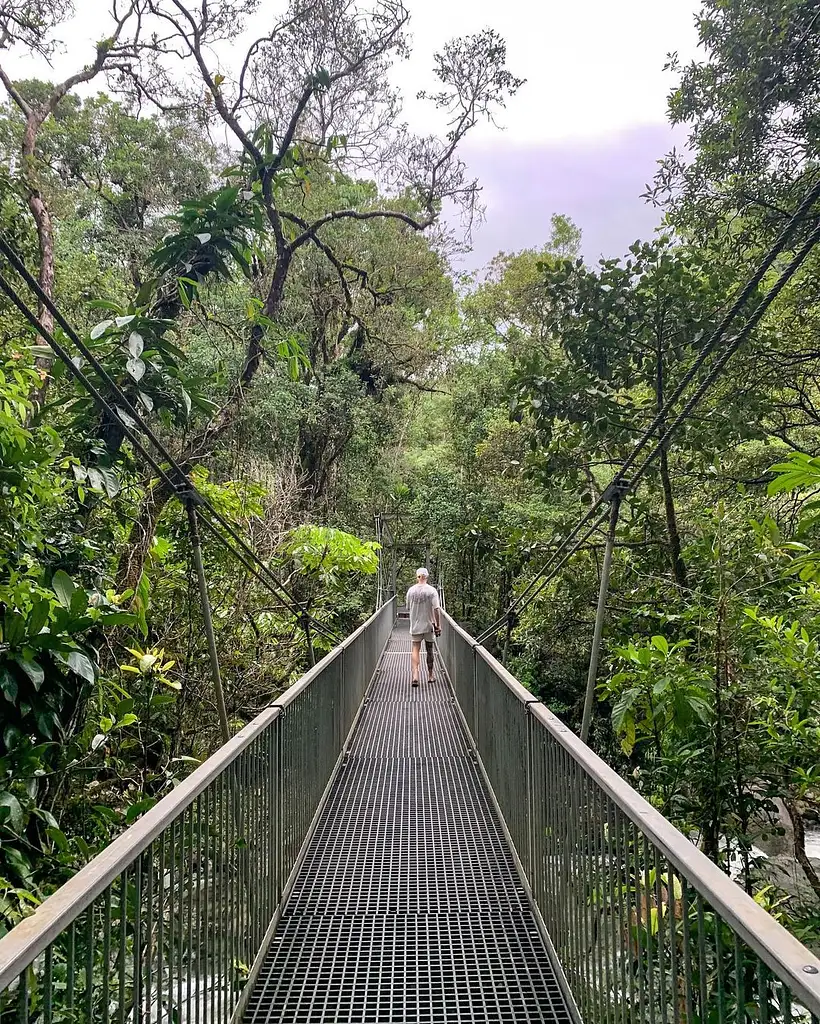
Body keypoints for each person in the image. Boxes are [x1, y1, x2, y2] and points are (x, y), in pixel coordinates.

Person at [405, 567, 441, 687]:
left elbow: (408, 608)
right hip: (429, 625)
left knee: (415, 648)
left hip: (415, 625)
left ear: (417, 576)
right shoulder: (432, 591)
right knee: (429, 649)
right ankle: (430, 676)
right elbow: (436, 609)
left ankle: (415, 676)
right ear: (427, 577)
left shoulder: (410, 591)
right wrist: (438, 625)